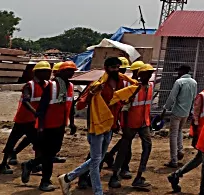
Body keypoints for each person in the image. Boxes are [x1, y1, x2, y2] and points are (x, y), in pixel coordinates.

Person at [57, 56, 139, 195]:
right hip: (96, 126)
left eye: (119, 67)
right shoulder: (97, 83)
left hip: (109, 125)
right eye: (114, 67)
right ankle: (98, 191)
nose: (117, 70)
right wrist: (92, 93)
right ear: (106, 68)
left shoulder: (120, 83)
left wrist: (128, 99)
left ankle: (68, 177)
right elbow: (81, 104)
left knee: (98, 159)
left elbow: (116, 103)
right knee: (96, 161)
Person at [22, 61, 77, 192]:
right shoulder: (51, 86)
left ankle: (30, 164)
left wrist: (72, 123)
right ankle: (45, 181)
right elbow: (41, 108)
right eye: (68, 70)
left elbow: (70, 106)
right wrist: (40, 126)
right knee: (48, 154)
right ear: (60, 72)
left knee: (52, 152)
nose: (71, 73)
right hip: (48, 125)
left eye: (72, 70)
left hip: (60, 124)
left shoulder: (69, 86)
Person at [168, 69, 204, 193]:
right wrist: (196, 135)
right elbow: (195, 116)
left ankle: (176, 175)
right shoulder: (202, 96)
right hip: (202, 134)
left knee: (201, 159)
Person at [0, 60, 51, 175]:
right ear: (37, 72)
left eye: (49, 71)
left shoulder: (46, 85)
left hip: (33, 119)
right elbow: (25, 101)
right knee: (16, 141)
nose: (48, 74)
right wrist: (35, 112)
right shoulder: (29, 85)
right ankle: (4, 164)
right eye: (45, 71)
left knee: (33, 141)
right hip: (24, 119)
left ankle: (7, 163)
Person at [110, 63, 155, 191]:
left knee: (147, 146)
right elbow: (122, 106)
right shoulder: (132, 88)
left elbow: (147, 106)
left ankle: (139, 176)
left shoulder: (150, 87)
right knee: (124, 149)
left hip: (143, 123)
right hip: (131, 123)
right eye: (147, 73)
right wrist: (122, 124)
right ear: (140, 75)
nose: (150, 75)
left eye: (150, 73)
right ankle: (114, 175)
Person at [102, 57, 135, 173]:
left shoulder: (126, 82)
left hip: (119, 118)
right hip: (108, 119)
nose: (119, 71)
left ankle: (111, 158)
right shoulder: (104, 83)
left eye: (121, 69)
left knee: (125, 142)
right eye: (115, 68)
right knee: (99, 149)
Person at [161, 65, 198, 168]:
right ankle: (180, 150)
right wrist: (191, 111)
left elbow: (172, 97)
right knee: (180, 131)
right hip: (186, 112)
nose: (178, 73)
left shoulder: (179, 82)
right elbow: (194, 99)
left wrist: (165, 109)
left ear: (182, 71)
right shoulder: (194, 83)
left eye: (179, 71)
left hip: (177, 111)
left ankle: (174, 160)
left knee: (173, 135)